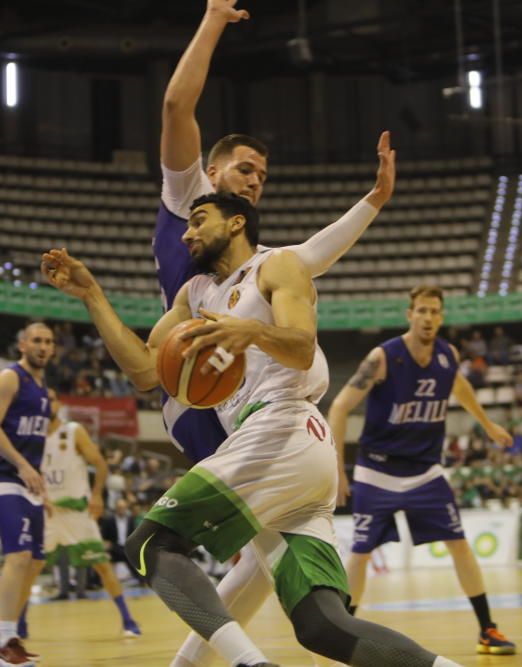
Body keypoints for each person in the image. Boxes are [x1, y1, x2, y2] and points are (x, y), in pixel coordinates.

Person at [42, 191, 462, 667]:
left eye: (200, 220)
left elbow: (302, 348)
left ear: (237, 223)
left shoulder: (276, 267)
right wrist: (92, 295)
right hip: (296, 453)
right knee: (322, 625)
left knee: (150, 542)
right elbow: (144, 370)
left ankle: (249, 663)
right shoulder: (197, 293)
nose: (187, 232)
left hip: (281, 423)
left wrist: (253, 332)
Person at [152, 0, 398, 663]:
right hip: (197, 385)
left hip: (238, 387)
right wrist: (210, 19)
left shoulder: (257, 262)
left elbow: (314, 252)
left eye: (262, 176)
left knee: (263, 548)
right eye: (245, 171)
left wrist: (373, 200)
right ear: (212, 175)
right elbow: (178, 108)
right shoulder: (190, 202)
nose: (255, 183)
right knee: (249, 547)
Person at [327, 285, 516, 655]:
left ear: (441, 317)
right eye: (422, 311)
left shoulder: (448, 355)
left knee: (460, 545)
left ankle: (487, 629)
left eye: (435, 312)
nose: (429, 318)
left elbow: (459, 387)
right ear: (409, 314)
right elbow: (339, 408)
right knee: (361, 553)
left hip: (425, 472)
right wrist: (338, 470)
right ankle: (343, 636)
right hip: (377, 471)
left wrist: (487, 425)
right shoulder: (383, 357)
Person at [20, 389, 140, 637]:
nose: (47, 403)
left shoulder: (73, 431)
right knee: (30, 568)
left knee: (102, 566)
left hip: (76, 510)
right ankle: (19, 624)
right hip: (48, 512)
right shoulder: (33, 438)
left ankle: (128, 620)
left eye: (51, 399)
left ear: (58, 404)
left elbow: (100, 464)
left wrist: (96, 495)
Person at [0, 323, 54, 667]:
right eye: (37, 340)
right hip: (3, 476)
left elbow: (37, 441)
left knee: (36, 562)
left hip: (29, 481)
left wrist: (42, 485)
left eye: (48, 342)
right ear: (23, 344)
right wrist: (23, 465)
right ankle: (9, 640)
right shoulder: (10, 377)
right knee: (19, 555)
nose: (43, 346)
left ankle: (1, 636)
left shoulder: (44, 391)